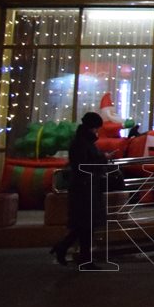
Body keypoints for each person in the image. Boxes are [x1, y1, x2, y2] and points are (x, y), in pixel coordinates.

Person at [50, 112, 116, 267]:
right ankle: (80, 256)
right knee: (86, 224)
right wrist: (103, 159)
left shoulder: (81, 141)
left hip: (84, 186)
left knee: (84, 224)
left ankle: (68, 250)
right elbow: (83, 165)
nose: (97, 131)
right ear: (92, 127)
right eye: (96, 128)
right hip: (86, 188)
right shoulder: (83, 143)